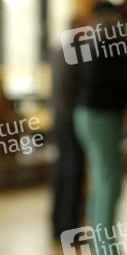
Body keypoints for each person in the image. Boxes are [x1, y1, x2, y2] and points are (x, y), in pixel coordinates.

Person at [74, 0, 127, 255]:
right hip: (101, 114)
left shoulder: (102, 24)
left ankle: (101, 250)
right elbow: (115, 77)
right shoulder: (114, 27)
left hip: (89, 112)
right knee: (109, 185)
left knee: (101, 183)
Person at [50, 14, 89, 239]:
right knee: (73, 173)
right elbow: (72, 90)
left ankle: (61, 225)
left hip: (61, 118)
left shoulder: (60, 50)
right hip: (70, 120)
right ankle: (68, 227)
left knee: (64, 173)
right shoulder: (74, 53)